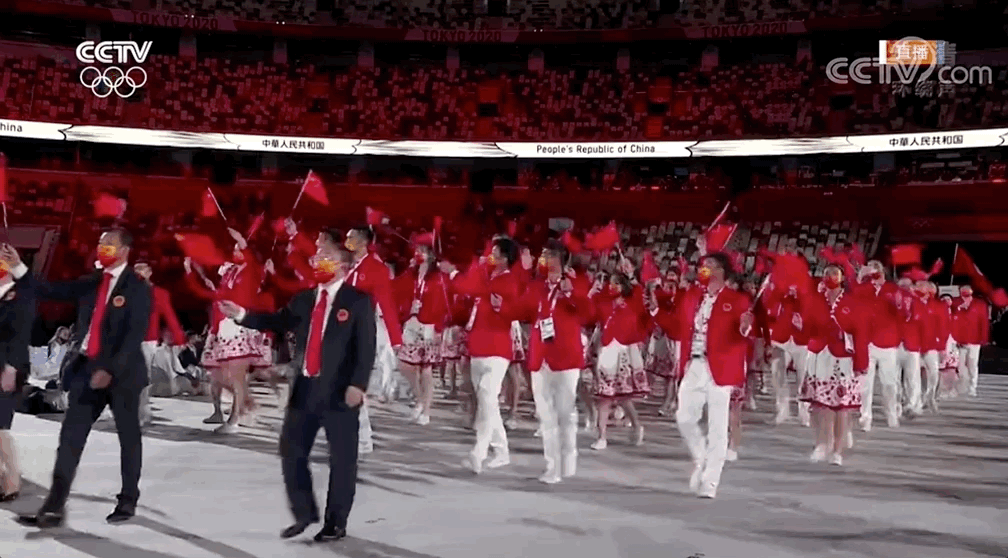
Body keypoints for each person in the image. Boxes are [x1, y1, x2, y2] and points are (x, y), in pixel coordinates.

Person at [218, 235, 376, 542]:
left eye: (324, 256)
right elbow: (278, 321)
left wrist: (358, 384)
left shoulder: (357, 300)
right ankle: (304, 512)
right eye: (316, 257)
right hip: (305, 388)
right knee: (291, 450)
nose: (317, 262)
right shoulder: (304, 299)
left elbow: (366, 346)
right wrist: (241, 315)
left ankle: (335, 523)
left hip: (340, 392)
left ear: (343, 265)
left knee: (342, 460)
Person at [5, 230, 152, 528]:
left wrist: (109, 369)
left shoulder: (137, 287)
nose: (102, 248)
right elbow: (49, 290)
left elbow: (133, 335)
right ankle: (53, 508)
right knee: (70, 440)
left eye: (108, 245)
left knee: (128, 438)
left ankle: (127, 499)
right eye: (100, 243)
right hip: (86, 370)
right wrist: (19, 266)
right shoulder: (93, 281)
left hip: (122, 375)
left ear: (124, 250)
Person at [658, 252, 752, 499]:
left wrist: (745, 326)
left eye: (709, 265)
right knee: (684, 417)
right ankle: (701, 456)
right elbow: (678, 326)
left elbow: (743, 331)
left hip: (720, 368)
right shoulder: (693, 297)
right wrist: (656, 312)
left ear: (721, 271)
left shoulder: (737, 300)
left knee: (717, 427)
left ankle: (711, 481)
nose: (704, 269)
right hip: (695, 365)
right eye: (703, 265)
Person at [511, 239, 591, 483]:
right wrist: (522, 274)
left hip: (566, 357)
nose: (543, 259)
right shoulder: (538, 286)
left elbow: (589, 314)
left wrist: (571, 292)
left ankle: (569, 456)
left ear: (560, 259)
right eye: (543, 255)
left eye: (548, 255)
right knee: (545, 415)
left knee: (565, 413)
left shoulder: (577, 282)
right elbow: (519, 310)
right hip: (540, 356)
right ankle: (552, 466)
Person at [0, 256, 36, 502]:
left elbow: (21, 334)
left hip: (9, 367)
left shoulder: (21, 294)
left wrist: (11, 368)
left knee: (0, 427)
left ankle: (11, 483)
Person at [134, 262, 186, 426]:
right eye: (136, 271)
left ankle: (142, 409)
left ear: (149, 272)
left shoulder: (159, 293)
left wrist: (179, 338)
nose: (139, 273)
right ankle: (140, 409)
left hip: (148, 340)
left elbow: (169, 315)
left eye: (142, 270)